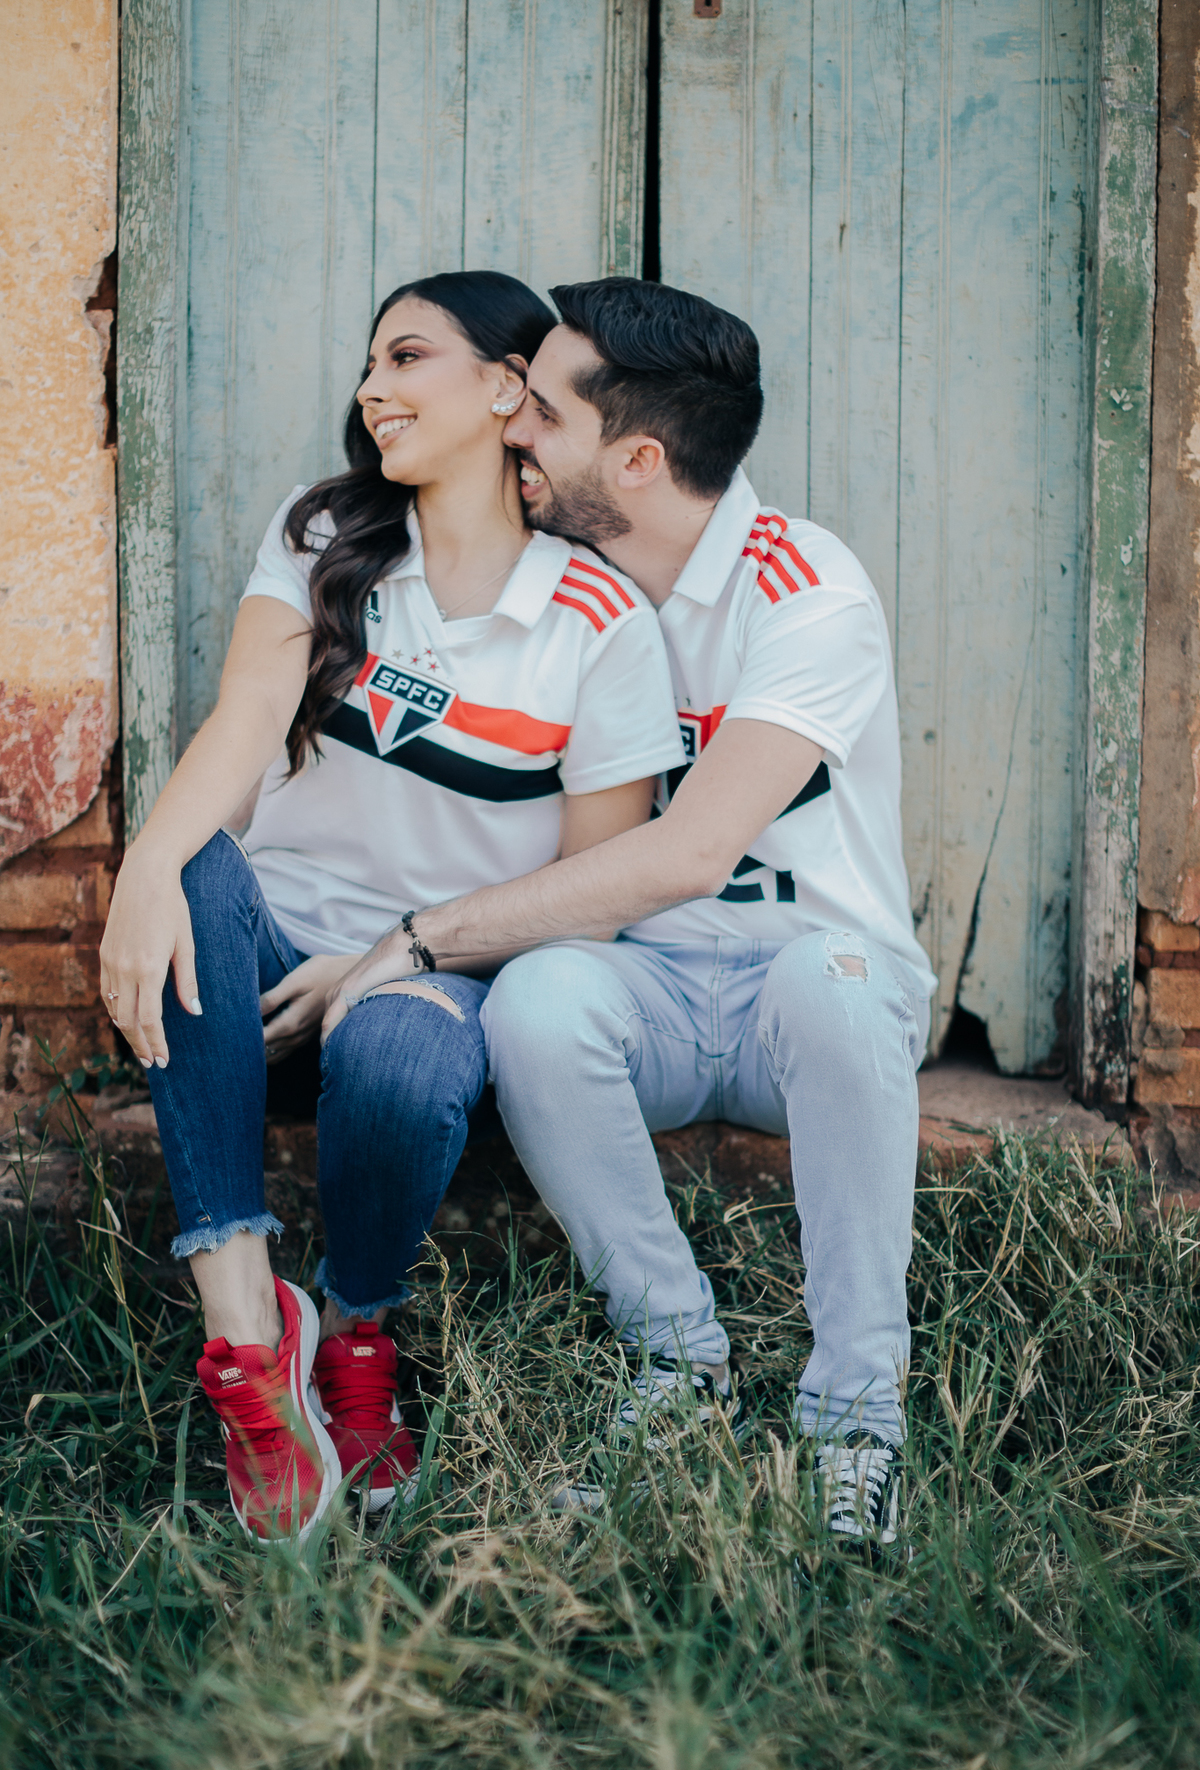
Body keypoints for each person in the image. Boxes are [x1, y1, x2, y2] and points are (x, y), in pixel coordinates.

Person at [323, 277, 937, 1552]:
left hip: (809, 999)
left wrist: (423, 938)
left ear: (639, 461)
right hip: (647, 998)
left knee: (829, 982)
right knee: (541, 997)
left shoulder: (808, 589)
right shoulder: (562, 582)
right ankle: (675, 1359)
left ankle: (856, 1417)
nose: (513, 427)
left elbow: (693, 852)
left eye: (544, 414)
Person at [98, 271, 685, 1543]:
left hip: (436, 979)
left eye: (408, 357)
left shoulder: (596, 623)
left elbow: (588, 896)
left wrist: (391, 958)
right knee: (193, 862)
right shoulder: (326, 538)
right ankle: (251, 1346)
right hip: (260, 967)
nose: (374, 387)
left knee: (401, 1052)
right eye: (370, 363)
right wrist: (144, 871)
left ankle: (355, 1334)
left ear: (507, 388)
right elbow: (246, 719)